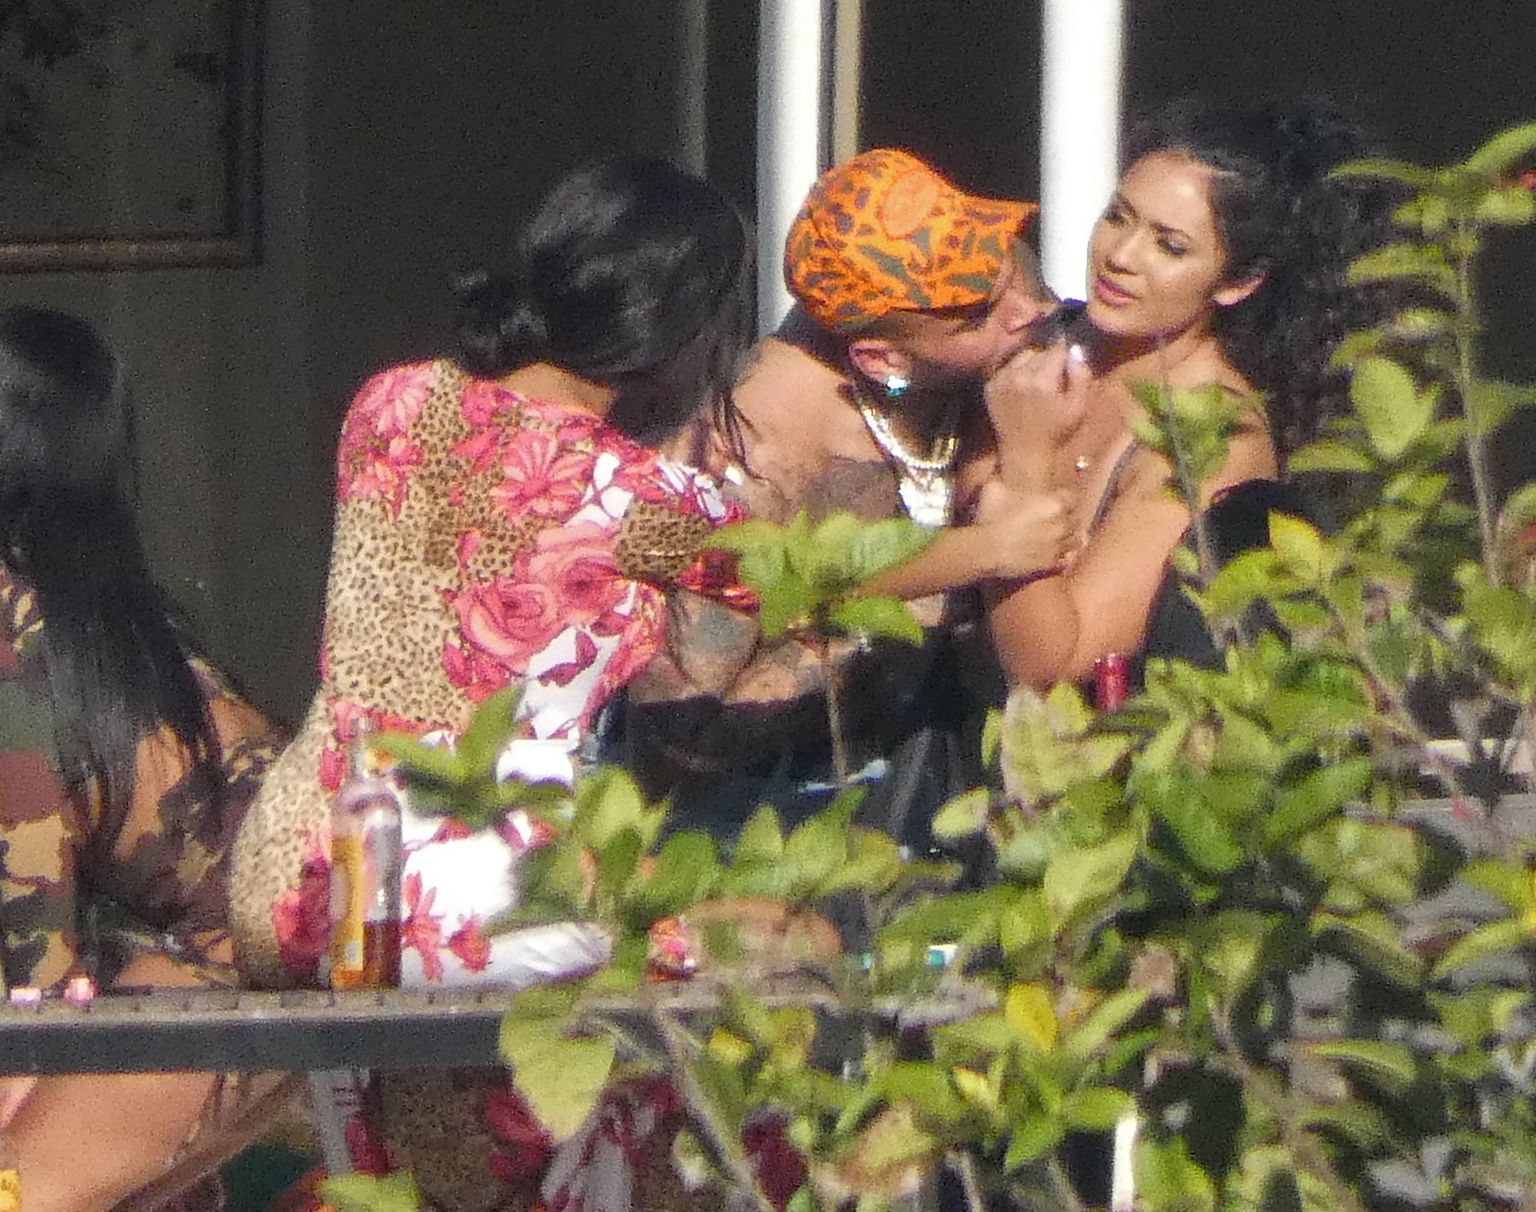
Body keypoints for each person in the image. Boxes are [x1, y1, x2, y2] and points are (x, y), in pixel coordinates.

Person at [228, 153, 762, 1211]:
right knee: (750, 1048)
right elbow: (797, 584)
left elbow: (481, 528)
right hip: (467, 885)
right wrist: (985, 546)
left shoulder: (394, 402)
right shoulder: (646, 498)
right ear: (679, 329)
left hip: (306, 858)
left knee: (397, 1176)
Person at [626, 148, 1073, 843]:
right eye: (977, 316)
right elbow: (685, 738)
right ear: (882, 358)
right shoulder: (753, 452)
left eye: (1004, 261)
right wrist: (964, 565)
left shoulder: (975, 345)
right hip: (758, 823)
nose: (1030, 311)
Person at [0, 307, 291, 1212]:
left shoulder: (22, 638)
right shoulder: (94, 619)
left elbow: (29, 939)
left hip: (255, 961)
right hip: (249, 957)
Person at [981, 96, 1398, 691]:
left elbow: (1056, 664)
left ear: (1238, 282)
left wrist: (1024, 461)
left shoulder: (1211, 431)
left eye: (1170, 246)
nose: (1121, 256)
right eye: (1118, 217)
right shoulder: (1034, 336)